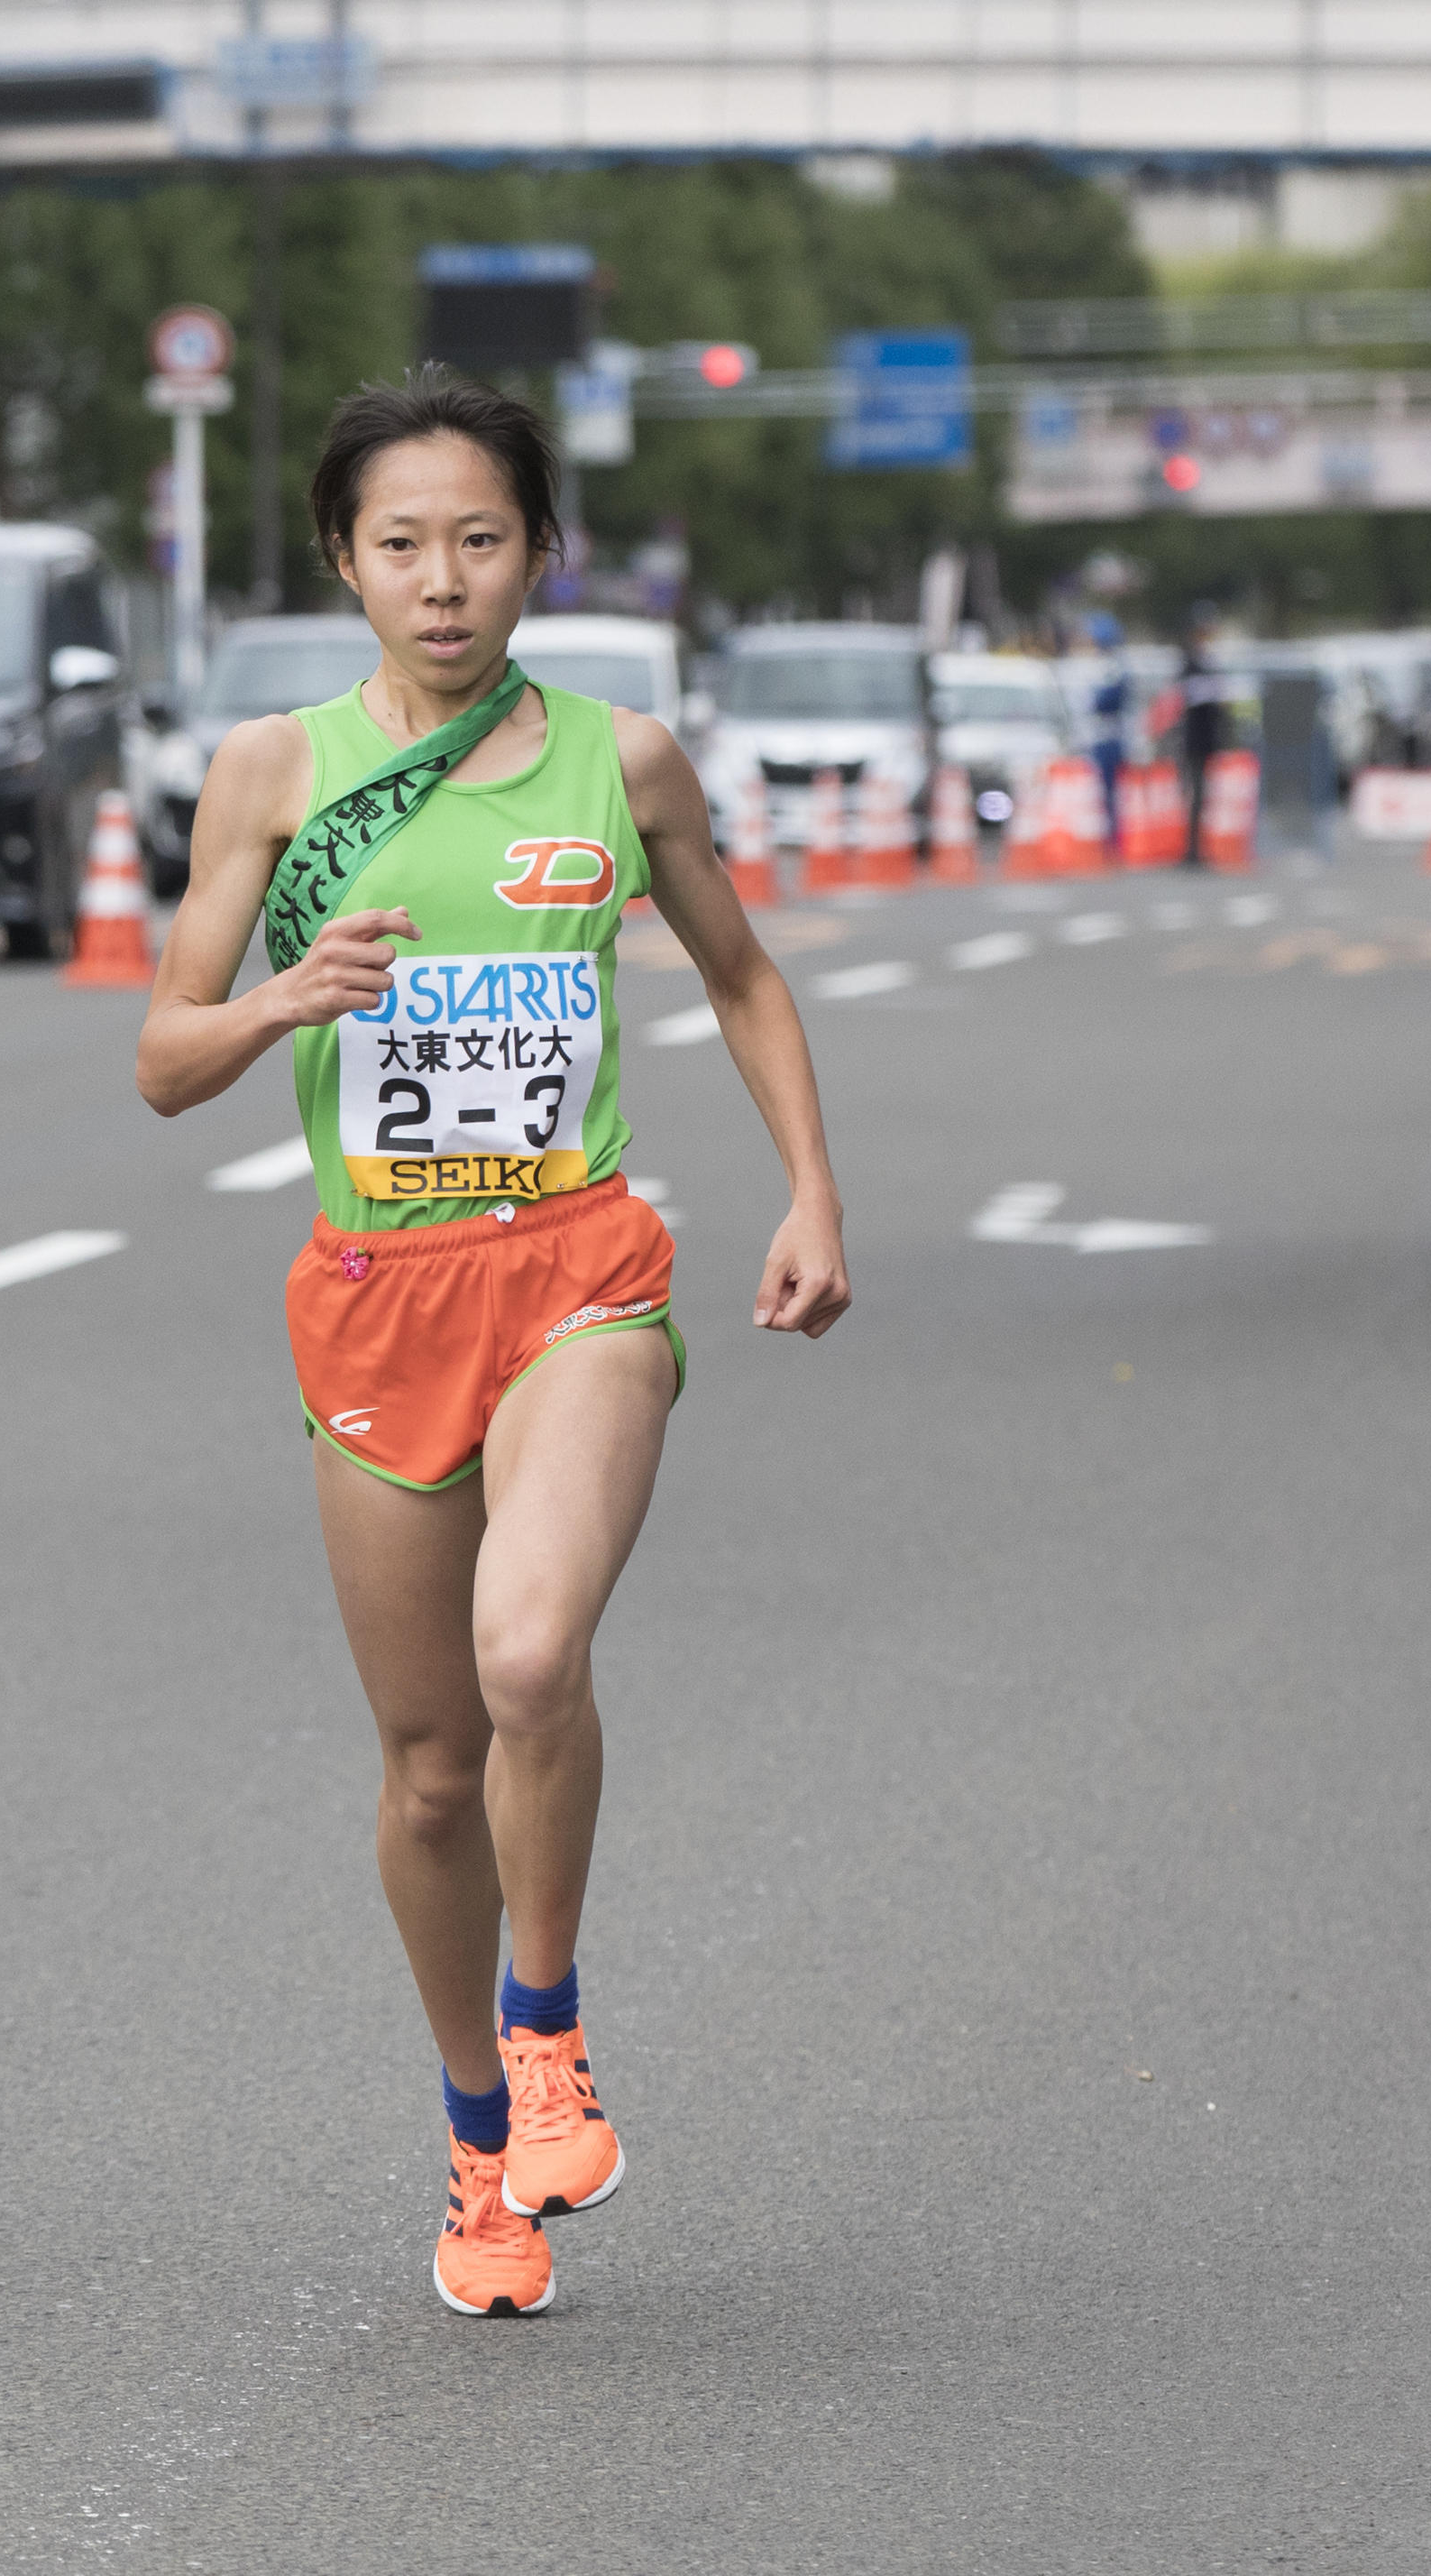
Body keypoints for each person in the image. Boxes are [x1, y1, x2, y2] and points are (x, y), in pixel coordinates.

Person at [134, 371, 854, 2320]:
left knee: (529, 1645)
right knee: (432, 1763)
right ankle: (475, 2150)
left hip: (575, 1264)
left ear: (540, 549)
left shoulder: (621, 763)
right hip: (377, 1294)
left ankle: (547, 2023)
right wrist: (288, 995)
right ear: (340, 563)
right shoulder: (272, 776)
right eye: (399, 544)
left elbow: (742, 972)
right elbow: (160, 1063)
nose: (441, 581)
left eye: (479, 538)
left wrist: (808, 1191)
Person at [1172, 605, 1228, 871]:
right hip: (1194, 738)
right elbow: (1185, 697)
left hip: (1207, 737)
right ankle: (1191, 849)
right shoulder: (1189, 662)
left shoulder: (1208, 661)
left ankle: (1199, 847)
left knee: (1203, 795)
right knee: (1194, 793)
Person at [1081, 612, 1132, 857]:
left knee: (1110, 792)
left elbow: (1106, 701)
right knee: (1100, 792)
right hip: (1098, 737)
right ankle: (1103, 839)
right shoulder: (1098, 664)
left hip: (1109, 738)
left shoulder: (1113, 666)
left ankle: (1112, 842)